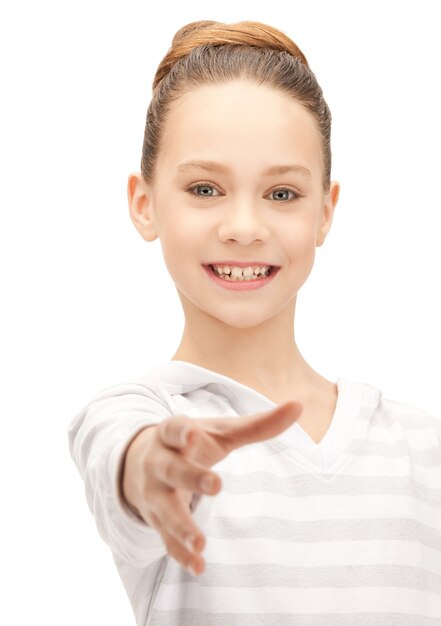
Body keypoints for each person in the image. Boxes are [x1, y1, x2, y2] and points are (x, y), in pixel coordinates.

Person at [68, 19, 441, 625]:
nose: (244, 225)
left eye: (283, 194)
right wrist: (154, 467)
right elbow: (127, 467)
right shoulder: (139, 417)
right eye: (206, 188)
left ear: (326, 210)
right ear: (144, 203)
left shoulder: (422, 447)